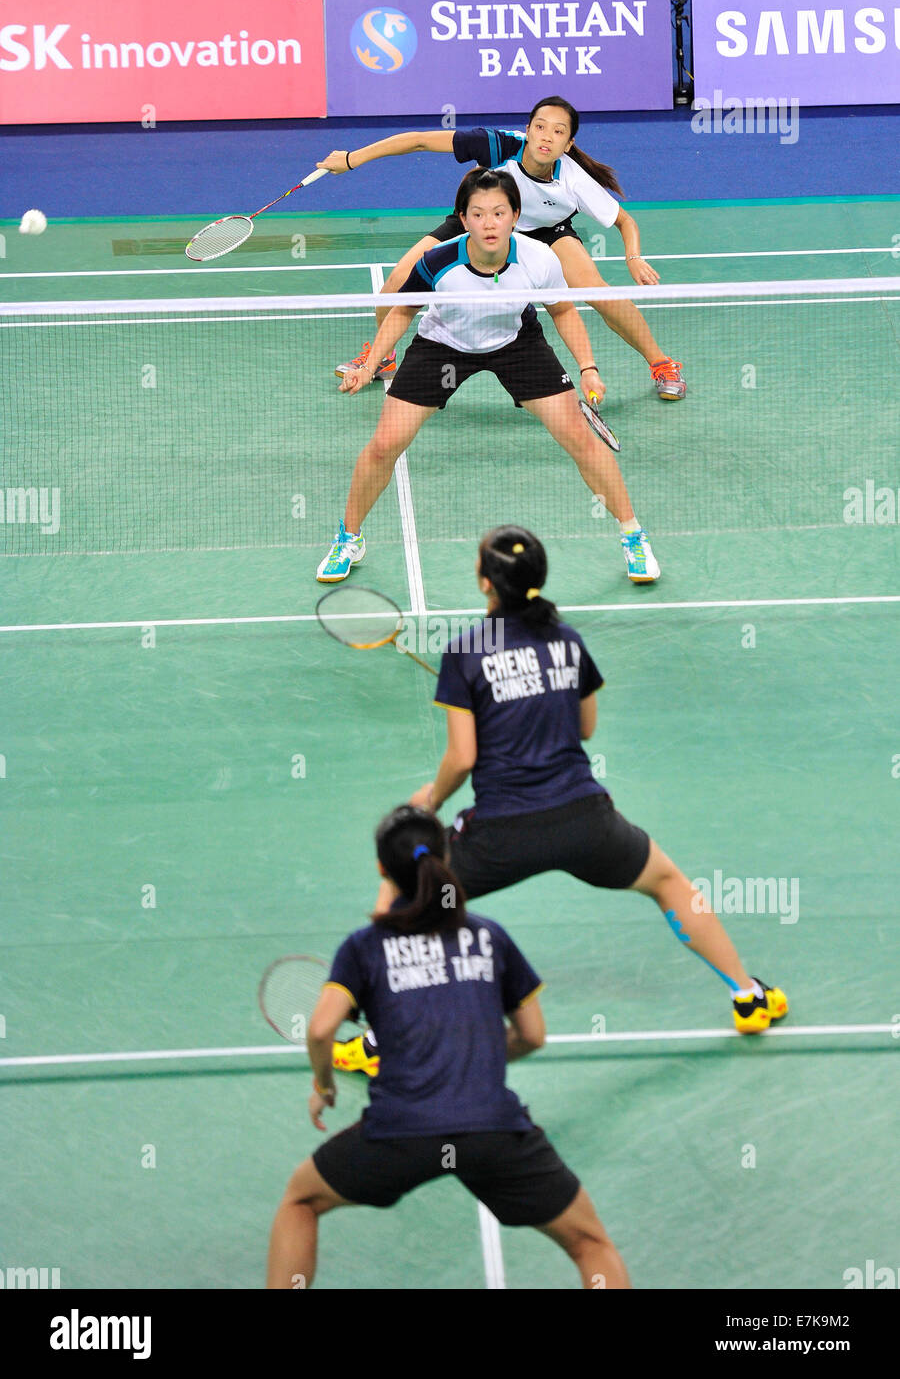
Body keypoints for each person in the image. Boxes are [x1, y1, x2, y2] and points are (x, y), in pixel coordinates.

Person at [405, 525, 788, 1036]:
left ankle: (379, 1038)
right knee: (670, 884)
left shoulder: (465, 653)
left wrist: (427, 801)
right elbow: (585, 727)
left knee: (414, 899)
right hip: (586, 823)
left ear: (484, 583)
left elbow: (462, 757)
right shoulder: (567, 640)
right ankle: (748, 996)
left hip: (500, 834)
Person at [266, 804, 631, 1290]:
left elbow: (319, 1031)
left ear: (382, 870)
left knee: (300, 1201)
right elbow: (532, 1034)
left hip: (401, 1132)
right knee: (591, 1244)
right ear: (444, 860)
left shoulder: (364, 946)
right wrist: (471, 1057)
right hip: (493, 1131)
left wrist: (324, 1083)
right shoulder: (489, 936)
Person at [316, 168, 660, 588]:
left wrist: (589, 367)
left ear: (515, 215)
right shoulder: (437, 261)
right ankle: (348, 538)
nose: (489, 223)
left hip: (515, 343)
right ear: (463, 219)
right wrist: (370, 366)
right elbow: (404, 309)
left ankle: (633, 535)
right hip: (444, 346)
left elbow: (564, 310)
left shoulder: (539, 258)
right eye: (478, 214)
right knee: (384, 444)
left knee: (577, 436)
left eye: (499, 212)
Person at [318, 95, 686, 400]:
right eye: (540, 127)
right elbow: (418, 140)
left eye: (558, 132)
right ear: (527, 130)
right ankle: (383, 360)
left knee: (597, 292)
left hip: (547, 232)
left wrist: (633, 257)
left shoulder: (573, 178)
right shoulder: (496, 145)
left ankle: (661, 363)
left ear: (568, 144)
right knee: (399, 280)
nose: (546, 137)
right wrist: (352, 159)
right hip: (483, 222)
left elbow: (624, 221)